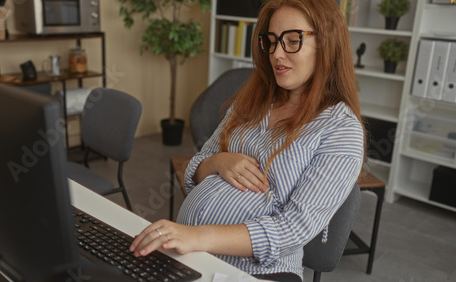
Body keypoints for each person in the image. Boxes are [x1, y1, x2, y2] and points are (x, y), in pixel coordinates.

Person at [130, 0, 365, 280]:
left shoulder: (341, 129)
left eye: (292, 40)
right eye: (272, 41)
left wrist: (197, 236)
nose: (277, 53)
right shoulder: (252, 102)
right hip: (194, 256)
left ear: (327, 44)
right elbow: (193, 169)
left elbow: (294, 228)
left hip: (258, 272)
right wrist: (217, 162)